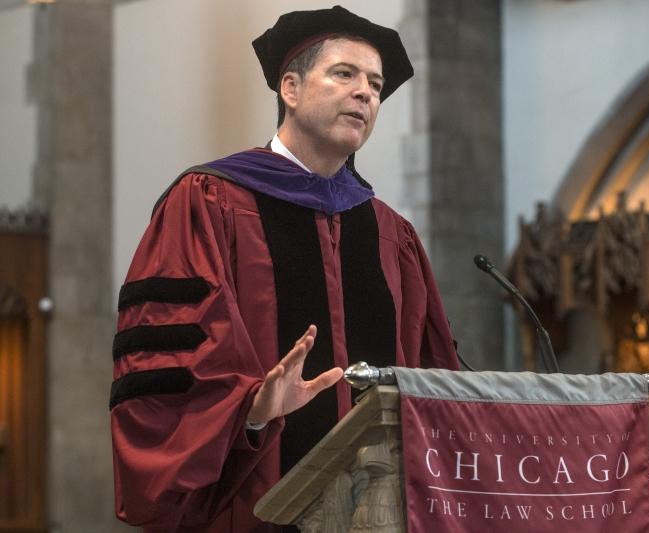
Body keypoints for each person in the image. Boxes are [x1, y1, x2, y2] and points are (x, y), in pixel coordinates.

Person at [109, 6, 459, 532]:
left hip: (379, 508)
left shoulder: (392, 234)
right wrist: (249, 410)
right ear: (289, 89)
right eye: (345, 74)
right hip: (253, 498)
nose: (366, 93)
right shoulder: (207, 202)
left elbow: (431, 373)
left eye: (376, 84)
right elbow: (167, 365)